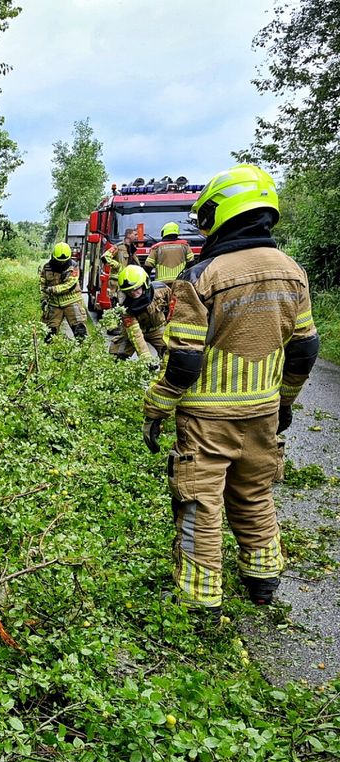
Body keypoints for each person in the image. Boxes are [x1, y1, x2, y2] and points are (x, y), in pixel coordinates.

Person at [142, 164, 319, 619]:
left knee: (200, 504)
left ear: (220, 215)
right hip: (262, 414)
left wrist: (156, 406)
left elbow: (183, 360)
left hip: (206, 420)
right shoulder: (293, 273)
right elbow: (304, 349)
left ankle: (199, 602)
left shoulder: (203, 276)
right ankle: (262, 581)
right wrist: (285, 402)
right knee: (254, 495)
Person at [110, 265, 169, 361]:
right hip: (134, 331)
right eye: (129, 291)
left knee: (170, 354)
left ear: (144, 284)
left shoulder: (162, 290)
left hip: (158, 329)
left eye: (136, 288)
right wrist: (146, 358)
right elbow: (135, 334)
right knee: (117, 355)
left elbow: (175, 309)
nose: (133, 293)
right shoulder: (125, 307)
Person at [39, 242, 87, 341]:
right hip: (54, 304)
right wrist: (43, 298)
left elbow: (70, 285)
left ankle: (84, 354)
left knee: (80, 331)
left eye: (63, 261)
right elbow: (42, 284)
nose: (61, 263)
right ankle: (48, 354)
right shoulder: (47, 267)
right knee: (49, 333)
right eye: (59, 261)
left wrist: (52, 289)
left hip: (72, 302)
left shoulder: (74, 267)